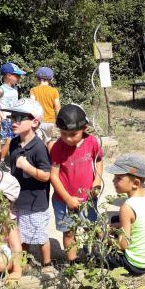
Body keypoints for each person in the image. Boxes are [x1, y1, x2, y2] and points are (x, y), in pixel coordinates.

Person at [2, 98, 52, 270]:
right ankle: (24, 264)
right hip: (19, 198)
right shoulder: (14, 142)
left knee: (39, 236)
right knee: (21, 235)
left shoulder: (39, 147)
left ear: (34, 122)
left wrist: (27, 167)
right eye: (12, 117)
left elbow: (46, 175)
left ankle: (47, 264)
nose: (13, 122)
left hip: (36, 201)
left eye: (19, 118)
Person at [50, 104, 103, 262]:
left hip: (88, 198)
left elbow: (99, 160)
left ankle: (93, 257)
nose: (67, 138)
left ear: (85, 128)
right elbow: (54, 176)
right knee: (69, 232)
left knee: (90, 227)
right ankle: (72, 262)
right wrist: (67, 199)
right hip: (64, 201)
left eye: (73, 134)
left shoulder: (92, 142)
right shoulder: (58, 148)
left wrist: (97, 180)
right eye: (63, 133)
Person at [104, 153, 145, 275]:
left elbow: (123, 245)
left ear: (135, 183)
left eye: (119, 178)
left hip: (135, 264)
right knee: (115, 219)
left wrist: (103, 237)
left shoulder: (127, 207)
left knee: (94, 251)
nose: (113, 181)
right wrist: (117, 226)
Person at [0, 63, 26, 160]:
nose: (19, 78)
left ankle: (13, 158)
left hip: (14, 117)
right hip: (6, 118)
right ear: (8, 75)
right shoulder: (2, 89)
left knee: (15, 138)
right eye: (17, 75)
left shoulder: (15, 88)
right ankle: (0, 160)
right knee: (10, 139)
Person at [30, 67, 61, 140]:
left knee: (38, 142)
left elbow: (32, 105)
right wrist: (59, 119)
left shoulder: (33, 90)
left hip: (38, 121)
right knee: (49, 141)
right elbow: (57, 106)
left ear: (37, 79)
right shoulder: (54, 91)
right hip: (50, 121)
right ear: (51, 79)